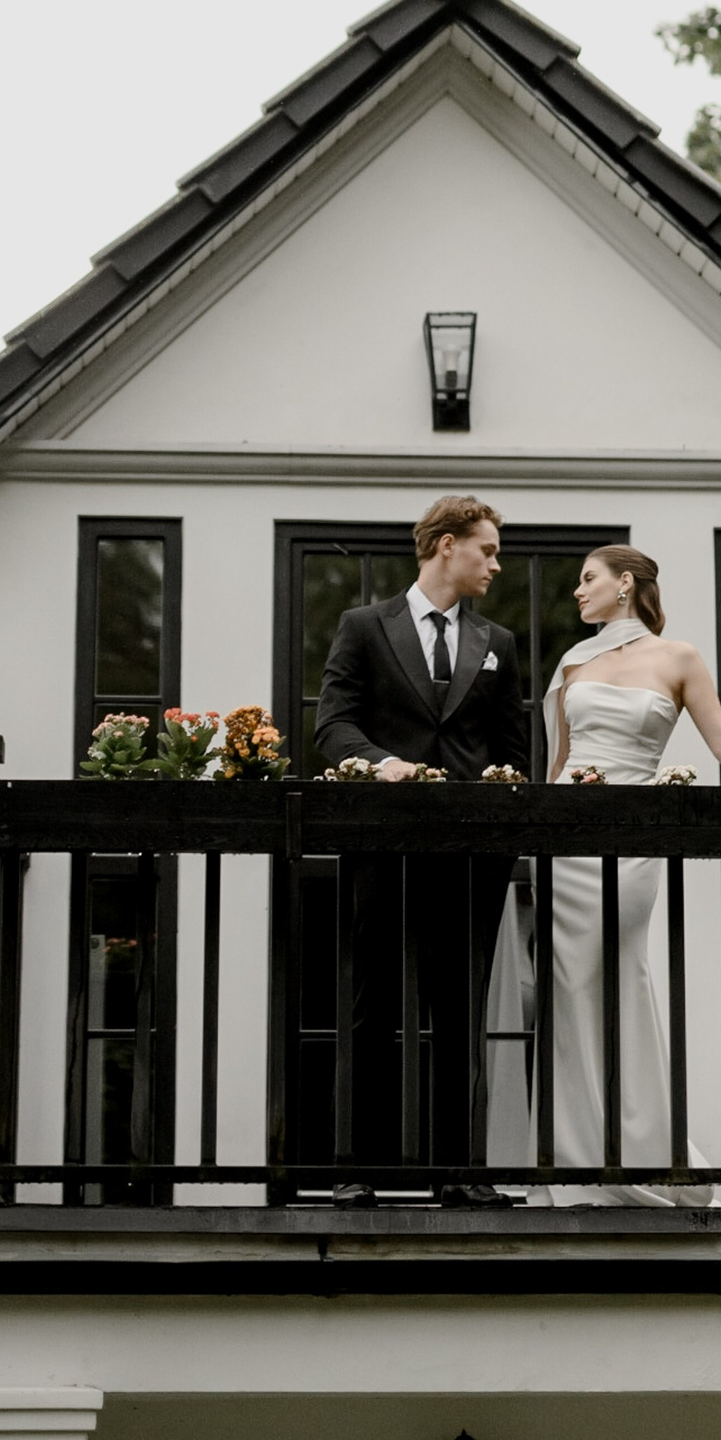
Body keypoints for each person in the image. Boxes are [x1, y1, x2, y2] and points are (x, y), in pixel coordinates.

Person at [532, 542, 721, 1206]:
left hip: (634, 844)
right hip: (568, 847)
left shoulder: (679, 657)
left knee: (621, 979)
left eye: (587, 578)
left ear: (625, 583)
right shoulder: (572, 663)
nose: (577, 590)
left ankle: (641, 1154)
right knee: (566, 992)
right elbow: (556, 766)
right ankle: (573, 1168)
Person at [315, 493, 529, 1206]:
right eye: (487, 550)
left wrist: (502, 828)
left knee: (460, 1011)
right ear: (446, 545)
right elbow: (332, 726)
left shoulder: (498, 643)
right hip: (381, 842)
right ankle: (356, 1170)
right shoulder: (363, 626)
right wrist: (382, 764)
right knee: (371, 1005)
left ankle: (460, 1174)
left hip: (470, 855)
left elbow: (512, 751)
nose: (495, 564)